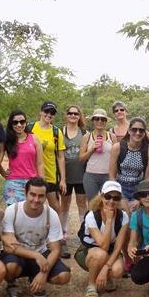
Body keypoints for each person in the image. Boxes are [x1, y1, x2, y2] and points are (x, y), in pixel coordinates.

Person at [0, 178, 71, 297]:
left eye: (41, 196)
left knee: (64, 276)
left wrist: (44, 272)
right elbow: (9, 246)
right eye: (32, 194)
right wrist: (36, 255)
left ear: (45, 197)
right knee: (10, 266)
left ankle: (35, 276)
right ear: (25, 193)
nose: (36, 200)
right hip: (19, 254)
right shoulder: (13, 211)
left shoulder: (51, 214)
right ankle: (11, 284)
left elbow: (56, 249)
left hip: (41, 253)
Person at [74, 181, 129, 297]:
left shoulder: (123, 216)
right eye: (108, 196)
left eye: (116, 198)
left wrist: (106, 268)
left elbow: (118, 247)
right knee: (100, 254)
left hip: (110, 251)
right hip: (89, 252)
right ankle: (92, 284)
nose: (111, 201)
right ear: (101, 196)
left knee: (118, 270)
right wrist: (109, 220)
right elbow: (103, 245)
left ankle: (104, 276)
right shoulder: (91, 215)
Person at [29, 101, 66, 222]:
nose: (49, 115)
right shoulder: (29, 128)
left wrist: (63, 180)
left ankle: (58, 235)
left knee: (55, 207)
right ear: (40, 112)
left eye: (52, 113)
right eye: (46, 111)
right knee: (33, 205)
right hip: (31, 174)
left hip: (50, 175)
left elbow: (60, 157)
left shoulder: (56, 132)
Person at [0, 109, 44, 205]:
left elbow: (40, 163)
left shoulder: (34, 138)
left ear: (26, 122)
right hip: (13, 183)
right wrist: (3, 173)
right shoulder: (6, 140)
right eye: (15, 122)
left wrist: (42, 183)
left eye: (22, 122)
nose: (19, 125)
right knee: (14, 214)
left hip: (32, 182)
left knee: (31, 214)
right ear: (11, 124)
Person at [60, 105, 88, 257]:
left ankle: (85, 235)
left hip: (81, 175)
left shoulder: (84, 133)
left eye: (76, 113)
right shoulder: (59, 132)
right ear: (66, 115)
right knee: (64, 204)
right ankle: (63, 236)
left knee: (82, 204)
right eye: (70, 113)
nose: (73, 115)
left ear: (79, 116)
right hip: (65, 175)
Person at [109, 117, 149, 204]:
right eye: (134, 130)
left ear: (144, 133)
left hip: (139, 187)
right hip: (120, 186)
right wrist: (119, 196)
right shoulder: (117, 147)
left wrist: (140, 198)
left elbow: (147, 178)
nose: (138, 133)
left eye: (141, 130)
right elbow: (112, 176)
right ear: (129, 131)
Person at [80, 108, 116, 201]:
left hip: (107, 175)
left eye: (103, 119)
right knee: (92, 205)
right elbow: (81, 159)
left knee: (108, 202)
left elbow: (116, 158)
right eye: (97, 119)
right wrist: (92, 149)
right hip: (90, 175)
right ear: (93, 121)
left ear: (106, 122)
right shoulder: (86, 137)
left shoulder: (112, 136)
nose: (100, 121)